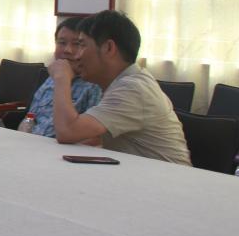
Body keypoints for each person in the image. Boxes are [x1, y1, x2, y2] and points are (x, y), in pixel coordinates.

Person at [50, 10, 191, 165]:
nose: (76, 56)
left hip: (168, 177)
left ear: (108, 48)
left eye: (82, 45)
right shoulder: (119, 83)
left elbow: (67, 131)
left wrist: (61, 78)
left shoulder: (133, 89)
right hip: (139, 173)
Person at [23, 17, 101, 137]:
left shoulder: (94, 85)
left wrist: (62, 79)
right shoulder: (52, 78)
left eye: (76, 44)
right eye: (62, 43)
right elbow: (30, 118)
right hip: (33, 142)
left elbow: (92, 138)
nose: (67, 50)